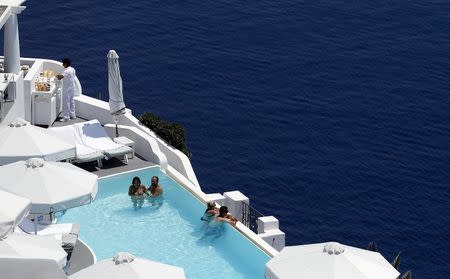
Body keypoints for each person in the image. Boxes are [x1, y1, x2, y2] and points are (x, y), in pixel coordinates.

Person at [56, 58, 77, 122]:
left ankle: (66, 117)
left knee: (66, 102)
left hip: (67, 89)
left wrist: (56, 76)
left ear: (66, 64)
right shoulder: (73, 69)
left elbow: (60, 77)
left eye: (63, 63)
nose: (62, 65)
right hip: (72, 88)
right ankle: (73, 115)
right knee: (71, 101)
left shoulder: (66, 71)